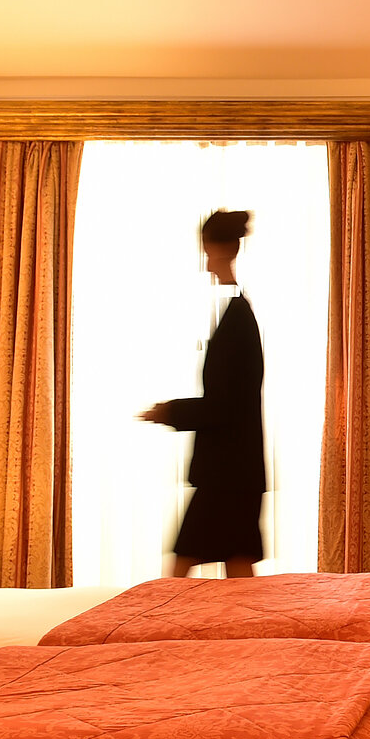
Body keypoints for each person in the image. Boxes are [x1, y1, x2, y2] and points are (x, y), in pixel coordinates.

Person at [139, 209, 266, 578]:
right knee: (237, 567)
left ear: (221, 250)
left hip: (227, 475)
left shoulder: (237, 319)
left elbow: (224, 405)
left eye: (208, 252)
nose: (207, 262)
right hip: (235, 472)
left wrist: (170, 412)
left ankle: (158, 618)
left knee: (182, 570)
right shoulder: (237, 312)